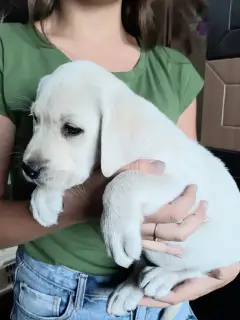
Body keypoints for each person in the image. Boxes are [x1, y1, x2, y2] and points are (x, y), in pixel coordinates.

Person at [0, 0, 239, 319]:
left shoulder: (172, 68)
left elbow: (190, 193)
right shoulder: (8, 48)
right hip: (57, 294)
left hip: (162, 286)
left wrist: (226, 263)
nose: (34, 155)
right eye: (37, 119)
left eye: (71, 128)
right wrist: (81, 201)